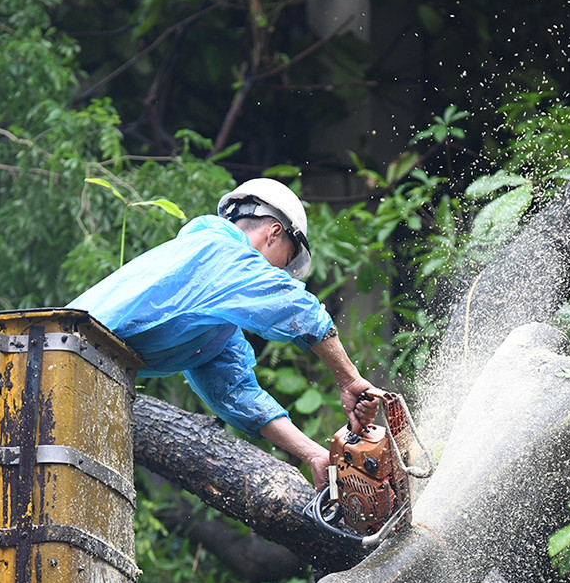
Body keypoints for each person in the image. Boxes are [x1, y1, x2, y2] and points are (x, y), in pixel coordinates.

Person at [70, 178, 381, 487]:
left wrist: (313, 454)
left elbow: (236, 393)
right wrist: (349, 379)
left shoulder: (214, 317)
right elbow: (297, 309)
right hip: (57, 351)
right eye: (282, 265)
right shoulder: (217, 251)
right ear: (274, 233)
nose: (276, 275)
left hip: (80, 375)